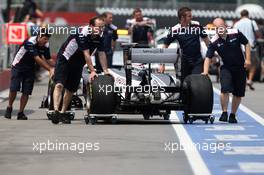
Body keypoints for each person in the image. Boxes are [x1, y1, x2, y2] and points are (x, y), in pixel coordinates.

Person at [51, 16, 109, 124]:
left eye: (103, 27)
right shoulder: (82, 33)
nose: (101, 29)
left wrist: (106, 70)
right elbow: (87, 54)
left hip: (78, 63)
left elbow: (101, 53)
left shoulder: (101, 36)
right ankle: (55, 111)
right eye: (98, 27)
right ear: (91, 26)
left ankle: (63, 113)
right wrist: (92, 71)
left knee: (71, 89)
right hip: (65, 59)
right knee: (59, 84)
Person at [203, 18, 251, 123]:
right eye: (216, 28)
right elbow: (208, 57)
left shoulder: (235, 33)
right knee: (225, 89)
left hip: (240, 67)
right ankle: (224, 113)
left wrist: (248, 59)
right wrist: (205, 72)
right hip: (226, 67)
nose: (219, 30)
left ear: (225, 26)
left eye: (221, 27)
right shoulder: (214, 41)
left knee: (238, 93)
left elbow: (247, 44)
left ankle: (232, 115)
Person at [4, 28, 54, 120]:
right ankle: (9, 107)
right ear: (39, 36)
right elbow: (37, 58)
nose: (46, 41)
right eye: (44, 39)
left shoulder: (46, 44)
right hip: (18, 66)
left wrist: (57, 67)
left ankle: (20, 112)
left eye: (47, 39)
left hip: (30, 68)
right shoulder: (30, 42)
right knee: (14, 88)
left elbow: (48, 59)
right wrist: (49, 69)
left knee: (26, 91)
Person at [160, 7, 210, 81]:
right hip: (183, 61)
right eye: (189, 16)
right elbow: (165, 47)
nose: (191, 17)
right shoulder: (175, 30)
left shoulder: (197, 26)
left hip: (197, 60)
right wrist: (162, 64)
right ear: (182, 18)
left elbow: (207, 41)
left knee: (197, 81)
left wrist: (211, 55)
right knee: (184, 84)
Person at [234, 9, 262, 90]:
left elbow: (234, 34)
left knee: (241, 64)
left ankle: (244, 79)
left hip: (240, 47)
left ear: (241, 15)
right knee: (254, 64)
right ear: (248, 15)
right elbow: (257, 33)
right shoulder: (252, 22)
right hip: (251, 46)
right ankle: (249, 79)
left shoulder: (237, 23)